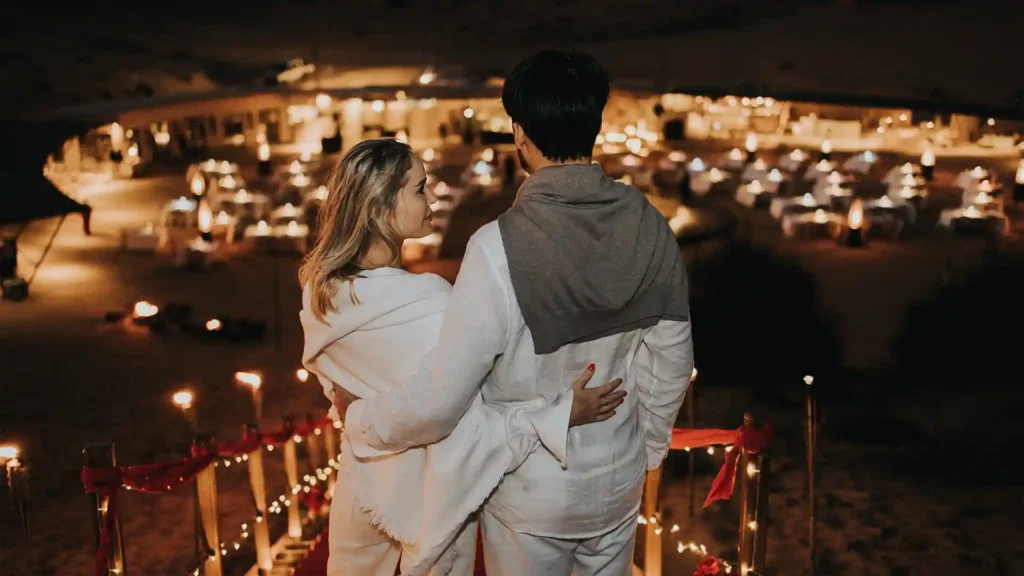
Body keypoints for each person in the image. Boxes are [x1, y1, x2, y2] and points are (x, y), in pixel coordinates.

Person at [337, 51, 694, 576]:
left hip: (530, 493)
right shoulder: (652, 227)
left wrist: (361, 420)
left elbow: (442, 398)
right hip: (617, 484)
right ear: (594, 125)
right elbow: (671, 359)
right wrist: (646, 454)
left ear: (519, 133)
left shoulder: (497, 248)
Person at [299, 138, 626, 576]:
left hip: (364, 488)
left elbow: (342, 387)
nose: (432, 198)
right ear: (378, 209)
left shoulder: (321, 292)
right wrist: (559, 413)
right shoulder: (430, 300)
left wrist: (356, 414)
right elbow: (468, 414)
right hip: (433, 498)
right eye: (419, 189)